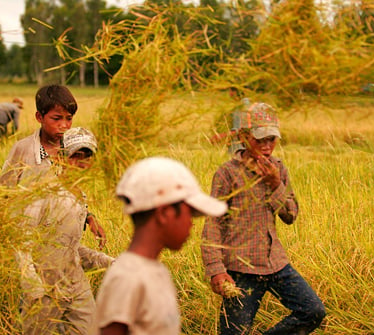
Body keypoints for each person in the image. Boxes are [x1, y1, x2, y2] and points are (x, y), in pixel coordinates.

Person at [201, 103, 326, 335]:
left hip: (276, 264)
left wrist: (274, 183)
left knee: (312, 311)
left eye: (272, 139)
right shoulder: (227, 173)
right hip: (241, 270)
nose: (268, 146)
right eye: (260, 140)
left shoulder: (278, 169)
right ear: (244, 137)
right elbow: (212, 224)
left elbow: (291, 215)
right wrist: (216, 270)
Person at [93, 157, 228, 335]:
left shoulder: (157, 271)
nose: (191, 224)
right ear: (164, 213)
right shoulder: (127, 277)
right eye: (189, 214)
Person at [15, 127, 114, 335]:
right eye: (75, 155)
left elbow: (69, 247)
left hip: (75, 283)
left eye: (87, 156)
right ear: (61, 157)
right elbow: (21, 241)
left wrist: (106, 262)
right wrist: (34, 288)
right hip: (45, 286)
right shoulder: (43, 192)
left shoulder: (81, 198)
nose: (81, 162)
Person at [0, 84, 106, 248]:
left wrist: (89, 217)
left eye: (69, 119)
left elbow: (72, 189)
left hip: (57, 239)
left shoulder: (71, 150)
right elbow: (2, 191)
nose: (64, 125)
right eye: (56, 118)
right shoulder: (23, 150)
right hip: (26, 238)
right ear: (39, 117)